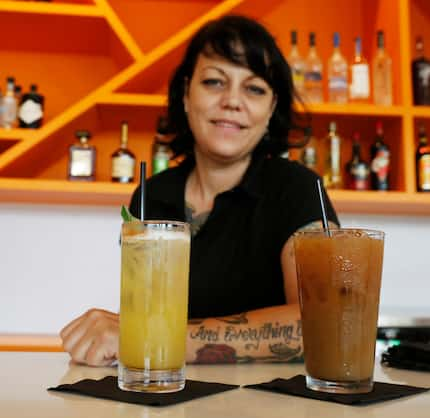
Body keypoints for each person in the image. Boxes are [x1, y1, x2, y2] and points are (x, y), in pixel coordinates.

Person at [61, 15, 339, 366]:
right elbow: (139, 324)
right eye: (214, 82)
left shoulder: (298, 189)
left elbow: (325, 321)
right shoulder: (152, 196)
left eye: (254, 89)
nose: (232, 101)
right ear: (185, 95)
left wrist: (156, 336)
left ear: (271, 109)